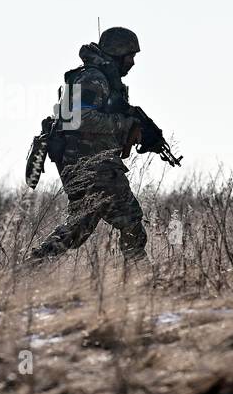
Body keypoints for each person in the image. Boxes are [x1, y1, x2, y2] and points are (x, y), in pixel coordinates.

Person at [29, 27, 152, 262]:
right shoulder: (93, 78)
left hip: (85, 161)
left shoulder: (102, 78)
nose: (133, 62)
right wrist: (123, 124)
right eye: (130, 56)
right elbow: (80, 118)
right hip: (92, 163)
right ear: (117, 53)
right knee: (130, 217)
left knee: (80, 226)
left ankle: (33, 265)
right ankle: (140, 275)